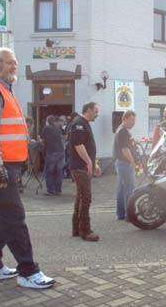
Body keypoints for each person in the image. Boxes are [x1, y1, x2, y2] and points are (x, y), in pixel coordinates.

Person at [0, 47, 54, 289]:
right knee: (13, 216)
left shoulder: (3, 90)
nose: (14, 66)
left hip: (6, 163)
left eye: (15, 63)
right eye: (9, 63)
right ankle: (28, 271)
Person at [69, 102, 101, 241]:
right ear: (88, 110)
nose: (97, 114)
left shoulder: (83, 123)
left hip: (83, 166)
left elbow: (88, 146)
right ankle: (85, 231)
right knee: (86, 198)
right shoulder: (79, 124)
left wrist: (95, 164)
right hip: (80, 167)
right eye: (95, 111)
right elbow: (79, 145)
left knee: (80, 198)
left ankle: (77, 228)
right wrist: (89, 162)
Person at [113, 110, 136, 221]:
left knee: (121, 190)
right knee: (129, 190)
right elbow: (124, 149)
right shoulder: (123, 132)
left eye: (134, 120)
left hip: (120, 163)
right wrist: (132, 161)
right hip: (125, 164)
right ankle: (129, 215)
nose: (133, 122)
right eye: (131, 120)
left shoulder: (120, 130)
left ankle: (121, 214)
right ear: (125, 119)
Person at [40, 115, 65, 195]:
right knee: (59, 172)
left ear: (47, 121)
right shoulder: (58, 128)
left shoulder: (46, 128)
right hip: (61, 152)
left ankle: (50, 191)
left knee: (49, 172)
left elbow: (42, 140)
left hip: (52, 152)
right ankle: (58, 190)